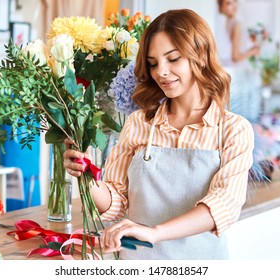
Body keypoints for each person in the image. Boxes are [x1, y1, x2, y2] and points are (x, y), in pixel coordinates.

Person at [64, 9, 254, 260]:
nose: (161, 72)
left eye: (173, 59)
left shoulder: (232, 130)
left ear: (202, 55)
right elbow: (116, 203)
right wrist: (88, 175)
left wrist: (155, 232)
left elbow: (223, 207)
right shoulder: (138, 123)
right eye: (153, 63)